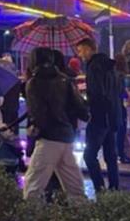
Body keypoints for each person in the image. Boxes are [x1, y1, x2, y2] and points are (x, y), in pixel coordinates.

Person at [23, 47, 89, 201]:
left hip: (48, 137)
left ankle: (31, 215)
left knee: (33, 186)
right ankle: (82, 212)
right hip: (66, 134)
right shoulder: (64, 80)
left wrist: (34, 129)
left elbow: (37, 112)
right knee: (74, 186)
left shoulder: (34, 83)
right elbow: (79, 106)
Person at [76, 38, 121, 192]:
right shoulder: (110, 66)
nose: (80, 55)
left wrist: (86, 103)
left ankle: (100, 188)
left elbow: (97, 93)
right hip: (112, 115)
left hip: (99, 116)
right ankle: (114, 188)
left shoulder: (93, 67)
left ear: (88, 49)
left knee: (89, 156)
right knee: (110, 155)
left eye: (81, 51)